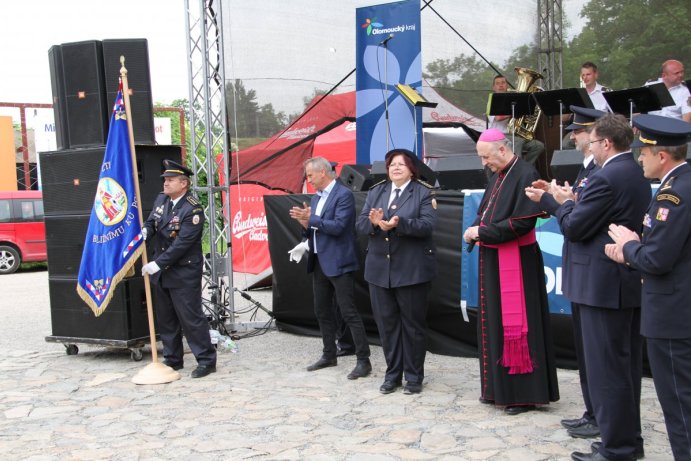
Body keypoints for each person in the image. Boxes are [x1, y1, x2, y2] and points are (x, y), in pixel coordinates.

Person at [534, 114, 649, 461]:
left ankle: (619, 448)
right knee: (622, 369)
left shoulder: (607, 177)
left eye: (594, 141)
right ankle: (625, 439)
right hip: (617, 283)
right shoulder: (631, 172)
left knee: (609, 371)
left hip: (602, 285)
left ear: (607, 143)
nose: (591, 148)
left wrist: (557, 203)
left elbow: (575, 227)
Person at [605, 115, 691, 461]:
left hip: (673, 315)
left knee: (679, 403)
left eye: (644, 152)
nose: (639, 157)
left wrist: (628, 248)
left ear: (662, 156)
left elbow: (657, 260)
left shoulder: (674, 195)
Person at [462, 128, 559, 415]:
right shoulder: (499, 175)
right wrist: (478, 230)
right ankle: (498, 388)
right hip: (495, 258)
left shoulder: (526, 173)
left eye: (486, 157)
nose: (484, 163)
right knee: (494, 324)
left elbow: (522, 223)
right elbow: (485, 212)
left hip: (517, 260)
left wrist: (483, 231)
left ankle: (523, 394)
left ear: (502, 150)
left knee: (519, 327)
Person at [526, 106, 605, 437]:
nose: (572, 136)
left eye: (578, 131)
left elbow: (578, 219)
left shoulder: (600, 171)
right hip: (583, 269)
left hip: (595, 271)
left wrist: (552, 201)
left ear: (595, 135)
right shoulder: (588, 169)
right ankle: (594, 412)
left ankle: (602, 417)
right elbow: (578, 204)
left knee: (599, 357)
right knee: (588, 355)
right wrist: (561, 196)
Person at [356, 148, 437, 395]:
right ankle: (393, 375)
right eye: (392, 165)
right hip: (380, 270)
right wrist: (374, 223)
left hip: (411, 270)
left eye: (402, 164)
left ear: (412, 169)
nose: (396, 168)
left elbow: (428, 225)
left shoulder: (423, 192)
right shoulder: (376, 191)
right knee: (387, 325)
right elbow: (360, 225)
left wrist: (399, 224)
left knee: (412, 326)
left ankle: (413, 377)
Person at [288, 157, 371, 380]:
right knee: (322, 310)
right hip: (319, 260)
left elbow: (339, 227)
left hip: (340, 261)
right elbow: (314, 229)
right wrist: (305, 224)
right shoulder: (316, 198)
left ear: (323, 172)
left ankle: (364, 360)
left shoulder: (343, 194)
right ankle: (329, 354)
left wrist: (312, 218)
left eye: (310, 175)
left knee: (348, 311)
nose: (309, 179)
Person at [141, 160, 216, 379]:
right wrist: (145, 233)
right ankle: (173, 359)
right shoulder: (162, 199)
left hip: (183, 271)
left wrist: (157, 263)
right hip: (163, 271)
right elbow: (152, 222)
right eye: (165, 179)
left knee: (190, 317)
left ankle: (206, 360)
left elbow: (182, 244)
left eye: (170, 180)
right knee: (166, 318)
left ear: (183, 184)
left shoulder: (192, 208)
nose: (165, 183)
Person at [487, 74, 545, 165]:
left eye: (503, 83)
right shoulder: (492, 101)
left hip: (513, 135)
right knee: (518, 142)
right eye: (497, 84)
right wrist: (516, 111)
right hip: (499, 136)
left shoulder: (513, 100)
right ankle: (516, 169)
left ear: (507, 86)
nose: (501, 85)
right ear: (494, 87)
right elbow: (498, 118)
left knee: (538, 146)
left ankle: (524, 167)